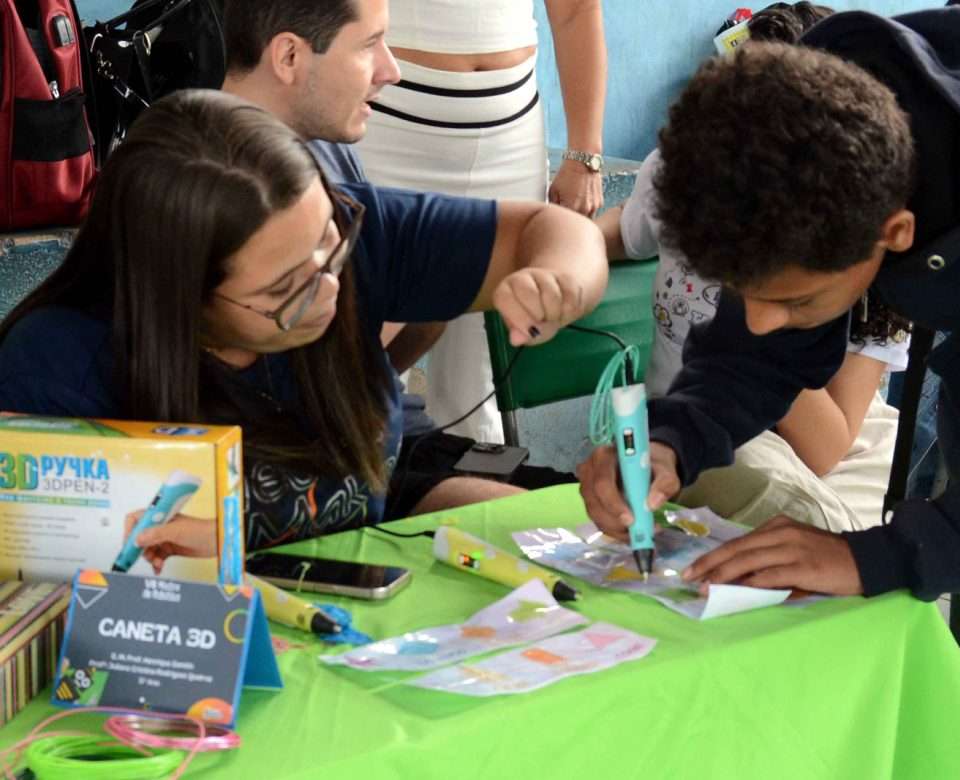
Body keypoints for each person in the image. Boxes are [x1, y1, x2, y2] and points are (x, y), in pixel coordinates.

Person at [578, 9, 960, 779]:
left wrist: (879, 554)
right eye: (748, 295)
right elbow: (757, 345)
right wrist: (674, 438)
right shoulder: (800, 143)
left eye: (794, 301)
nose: (763, 322)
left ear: (896, 233)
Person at [0, 89, 607, 557]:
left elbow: (552, 230)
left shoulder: (340, 232)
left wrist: (558, 280)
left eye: (330, 245)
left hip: (369, 549)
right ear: (178, 297)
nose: (328, 289)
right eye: (283, 290)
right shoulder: (57, 370)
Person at [218, 0, 576, 522]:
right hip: (320, 473)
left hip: (397, 448)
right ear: (289, 56)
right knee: (557, 526)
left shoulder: (332, 149)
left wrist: (558, 279)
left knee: (585, 512)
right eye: (369, 45)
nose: (393, 70)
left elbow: (557, 235)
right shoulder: (207, 186)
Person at [596, 1, 908, 532]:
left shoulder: (871, 255)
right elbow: (623, 230)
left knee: (828, 524)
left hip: (820, 441)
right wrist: (561, 251)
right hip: (713, 425)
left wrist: (766, 334)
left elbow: (828, 447)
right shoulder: (695, 179)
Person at [357, 0, 608, 443]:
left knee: (480, 377)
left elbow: (576, 11)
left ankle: (469, 480)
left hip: (509, 138)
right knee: (364, 367)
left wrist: (585, 156)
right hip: (386, 124)